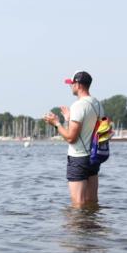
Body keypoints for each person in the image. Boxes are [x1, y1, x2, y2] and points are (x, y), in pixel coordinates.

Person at [43, 71, 103, 207]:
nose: (70, 87)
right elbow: (88, 128)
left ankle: (78, 228)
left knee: (78, 204)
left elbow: (71, 138)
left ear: (78, 85)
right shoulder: (98, 104)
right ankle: (92, 227)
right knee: (92, 202)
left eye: (71, 84)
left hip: (78, 158)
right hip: (94, 157)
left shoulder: (78, 105)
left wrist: (56, 123)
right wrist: (69, 119)